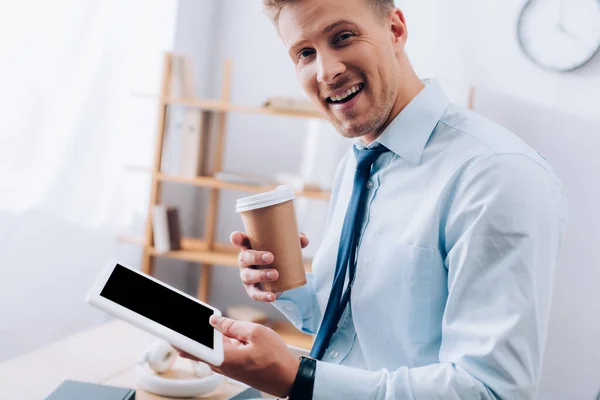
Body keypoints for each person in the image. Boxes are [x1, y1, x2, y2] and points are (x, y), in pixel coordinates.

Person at [177, 0, 568, 398]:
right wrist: (285, 284)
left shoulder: (495, 175)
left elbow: (490, 391)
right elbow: (354, 330)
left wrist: (299, 379)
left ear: (395, 30)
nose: (326, 71)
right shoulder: (359, 161)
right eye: (305, 53)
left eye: (342, 37)